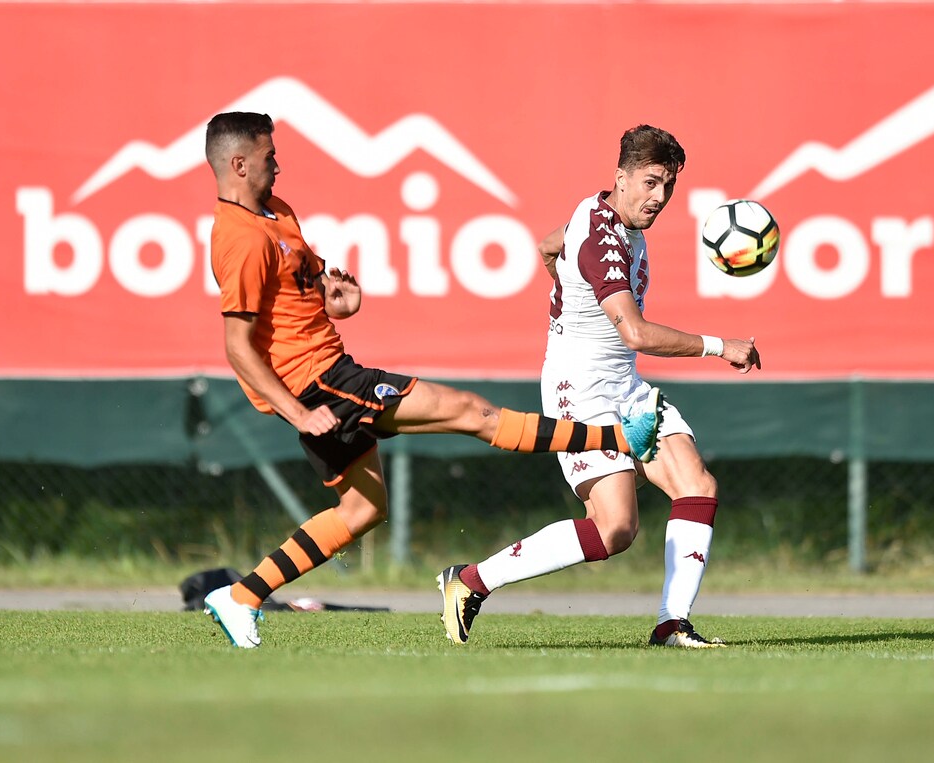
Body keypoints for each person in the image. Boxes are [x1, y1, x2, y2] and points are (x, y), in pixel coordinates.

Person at [200, 112, 662, 648]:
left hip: (328, 378)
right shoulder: (237, 238)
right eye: (269, 157)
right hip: (321, 384)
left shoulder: (276, 212)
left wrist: (337, 301)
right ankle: (618, 438)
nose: (277, 165)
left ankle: (241, 596)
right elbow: (238, 348)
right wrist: (299, 412)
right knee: (473, 413)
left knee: (362, 510)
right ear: (239, 165)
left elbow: (308, 293)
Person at [439, 125, 760, 648]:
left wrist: (567, 288)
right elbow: (635, 333)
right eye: (650, 183)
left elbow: (548, 247)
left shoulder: (601, 217)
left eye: (668, 186)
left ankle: (672, 624)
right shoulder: (602, 240)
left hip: (624, 385)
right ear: (621, 178)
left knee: (697, 486)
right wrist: (720, 346)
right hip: (581, 390)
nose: (659, 197)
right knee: (614, 529)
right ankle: (470, 581)